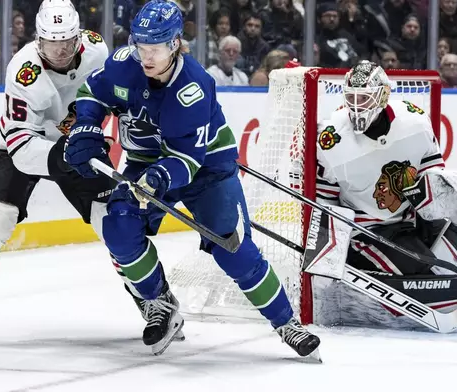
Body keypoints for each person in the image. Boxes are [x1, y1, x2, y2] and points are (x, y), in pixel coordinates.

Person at [64, 0, 321, 358]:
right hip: (148, 163)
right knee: (119, 227)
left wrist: (157, 178)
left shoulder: (193, 87)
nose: (146, 56)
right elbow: (93, 92)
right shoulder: (124, 65)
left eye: (154, 48)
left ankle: (285, 322)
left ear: (174, 44)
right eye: (141, 46)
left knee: (232, 249)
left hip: (206, 170)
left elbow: (186, 159)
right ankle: (160, 304)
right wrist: (86, 127)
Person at [0, 0, 120, 338]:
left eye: (66, 41)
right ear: (38, 39)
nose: (60, 50)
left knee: (115, 221)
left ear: (79, 36)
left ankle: (155, 302)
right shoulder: (23, 70)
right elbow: (22, 150)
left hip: (75, 142)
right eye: (52, 42)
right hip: (22, 144)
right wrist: (66, 156)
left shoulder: (97, 49)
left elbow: (108, 97)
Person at [310, 60, 457, 329]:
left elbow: (433, 178)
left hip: (409, 220)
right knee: (423, 270)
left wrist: (445, 199)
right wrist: (330, 260)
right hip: (365, 233)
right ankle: (364, 299)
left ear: (382, 95)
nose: (357, 106)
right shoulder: (331, 137)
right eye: (351, 98)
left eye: (364, 98)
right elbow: (324, 203)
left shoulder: (414, 122)